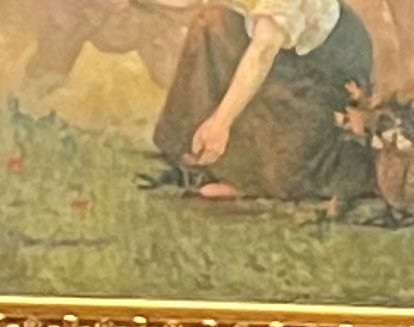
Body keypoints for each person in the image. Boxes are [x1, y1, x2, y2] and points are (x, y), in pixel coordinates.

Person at [147, 0, 377, 202]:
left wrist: (221, 122)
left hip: (322, 70)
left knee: (286, 166)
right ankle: (192, 152)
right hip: (275, 48)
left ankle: (248, 178)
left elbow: (263, 51)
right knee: (210, 22)